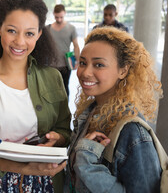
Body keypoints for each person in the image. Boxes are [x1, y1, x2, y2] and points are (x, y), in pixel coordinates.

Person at [0, 0, 71, 193]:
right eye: (12, 31)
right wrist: (23, 168)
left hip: (47, 183)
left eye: (29, 33)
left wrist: (57, 138)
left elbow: (66, 131)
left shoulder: (52, 77)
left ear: (39, 34)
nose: (20, 42)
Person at [66, 27, 162, 192]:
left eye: (99, 64)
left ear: (123, 70)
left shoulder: (133, 132)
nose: (85, 72)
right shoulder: (88, 115)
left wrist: (87, 163)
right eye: (82, 63)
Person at [49, 4, 80, 97]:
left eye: (61, 17)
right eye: (56, 17)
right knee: (51, 89)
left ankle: (64, 110)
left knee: (64, 87)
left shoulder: (71, 28)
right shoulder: (48, 28)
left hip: (66, 65)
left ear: (65, 13)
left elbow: (76, 46)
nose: (58, 19)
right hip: (51, 65)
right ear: (53, 14)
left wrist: (78, 61)